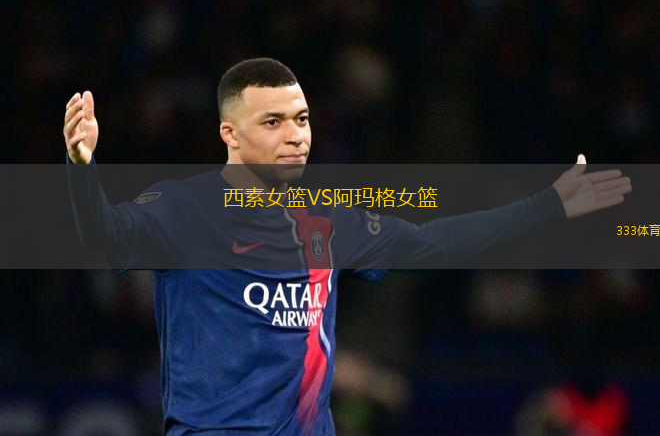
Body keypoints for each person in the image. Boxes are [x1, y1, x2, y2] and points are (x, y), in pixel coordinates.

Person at [63, 58, 631, 435]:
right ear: (229, 134)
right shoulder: (183, 209)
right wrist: (81, 168)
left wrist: (548, 205)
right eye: (273, 122)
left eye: (302, 118)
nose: (296, 135)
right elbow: (104, 237)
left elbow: (435, 244)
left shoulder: (328, 221)